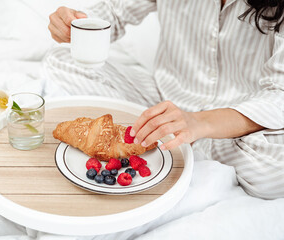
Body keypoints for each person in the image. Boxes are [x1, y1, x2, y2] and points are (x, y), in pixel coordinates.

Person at [45, 0, 284, 199]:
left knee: (275, 171)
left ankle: (174, 143)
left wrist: (200, 124)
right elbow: (114, 13)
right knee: (61, 58)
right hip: (162, 100)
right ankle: (167, 138)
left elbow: (280, 93)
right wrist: (74, 25)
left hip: (236, 125)